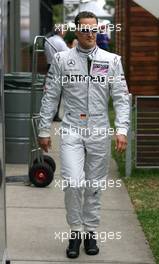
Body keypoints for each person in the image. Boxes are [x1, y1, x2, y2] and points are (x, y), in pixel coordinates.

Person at [38, 11, 130, 259]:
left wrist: (121, 130)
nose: (90, 33)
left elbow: (122, 98)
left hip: (100, 129)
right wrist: (44, 129)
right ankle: (75, 231)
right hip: (71, 129)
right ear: (76, 31)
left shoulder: (112, 60)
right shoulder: (61, 59)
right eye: (85, 29)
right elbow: (50, 96)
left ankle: (90, 231)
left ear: (97, 31)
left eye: (94, 29)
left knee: (94, 186)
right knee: (73, 183)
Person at [44, 24, 69, 122]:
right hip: (58, 67)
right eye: (65, 30)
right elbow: (68, 55)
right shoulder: (60, 42)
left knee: (49, 91)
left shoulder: (48, 40)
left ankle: (48, 114)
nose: (66, 32)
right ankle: (55, 115)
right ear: (61, 31)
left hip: (49, 66)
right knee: (58, 92)